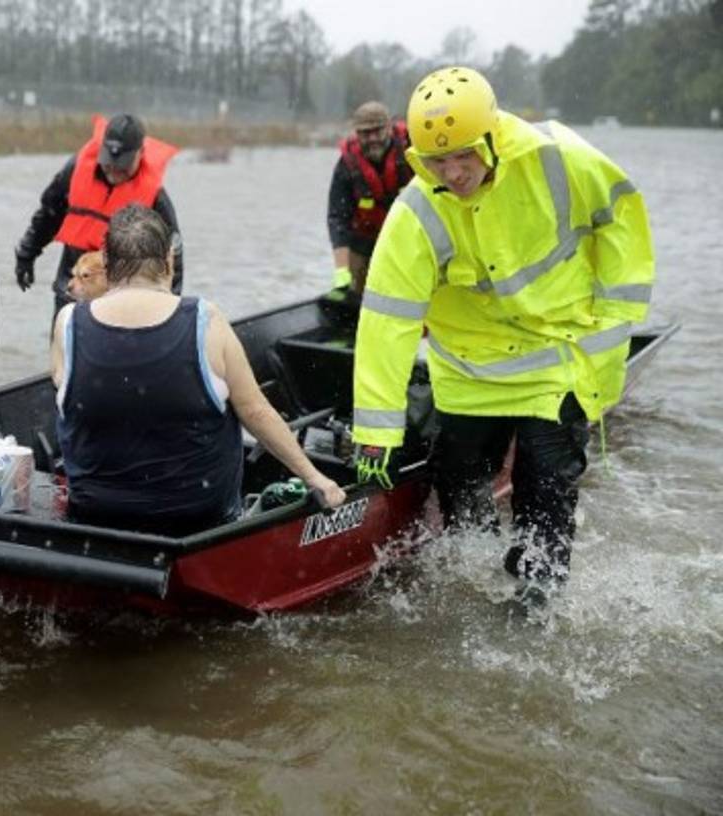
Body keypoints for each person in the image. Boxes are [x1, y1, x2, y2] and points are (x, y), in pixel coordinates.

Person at [351, 67, 654, 594]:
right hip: (469, 372)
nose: (453, 172)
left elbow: (622, 216)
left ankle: (537, 603)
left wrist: (610, 331)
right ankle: (476, 596)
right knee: (461, 495)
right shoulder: (416, 212)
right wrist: (376, 434)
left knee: (546, 492)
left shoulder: (562, 160)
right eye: (437, 161)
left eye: (463, 155)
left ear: (492, 137)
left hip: (557, 360)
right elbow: (387, 320)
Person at [52, 205, 345, 536]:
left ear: (105, 261)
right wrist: (315, 478)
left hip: (97, 515)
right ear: (169, 260)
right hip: (195, 518)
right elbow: (255, 411)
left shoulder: (68, 323)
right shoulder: (206, 320)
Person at [15, 113, 183, 317]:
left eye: (122, 165)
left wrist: (169, 309)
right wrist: (26, 254)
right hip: (73, 290)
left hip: (123, 301)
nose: (113, 171)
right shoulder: (76, 170)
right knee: (64, 346)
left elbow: (172, 256)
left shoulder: (156, 198)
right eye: (109, 162)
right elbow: (49, 214)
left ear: (140, 153)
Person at [326, 101, 413, 296]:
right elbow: (338, 217)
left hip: (409, 238)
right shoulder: (347, 165)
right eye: (365, 133)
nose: (373, 138)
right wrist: (341, 271)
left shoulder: (412, 152)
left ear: (389, 128)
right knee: (354, 293)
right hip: (364, 240)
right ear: (356, 134)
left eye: (378, 131)